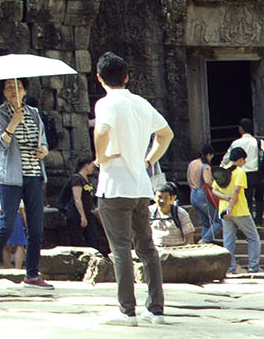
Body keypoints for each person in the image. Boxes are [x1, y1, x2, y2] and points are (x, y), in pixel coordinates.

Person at [91, 51, 173, 325]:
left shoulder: (106, 103)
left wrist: (100, 157)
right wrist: (149, 160)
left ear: (99, 78)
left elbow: (102, 131)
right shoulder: (141, 103)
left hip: (114, 186)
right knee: (147, 248)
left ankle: (127, 310)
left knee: (121, 249)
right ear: (126, 77)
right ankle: (156, 308)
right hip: (140, 185)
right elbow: (166, 134)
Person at [0, 78, 52, 289]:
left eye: (18, 87)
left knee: (36, 226)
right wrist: (13, 123)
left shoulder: (34, 113)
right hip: (10, 178)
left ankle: (32, 274)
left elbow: (43, 140)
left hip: (34, 175)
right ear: (3, 91)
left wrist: (44, 150)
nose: (14, 91)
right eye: (9, 87)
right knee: (7, 224)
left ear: (25, 89)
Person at [217, 147, 262, 274]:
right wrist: (231, 206)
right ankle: (254, 266)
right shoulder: (240, 172)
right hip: (240, 210)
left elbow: (214, 190)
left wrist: (226, 200)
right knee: (253, 237)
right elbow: (236, 191)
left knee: (228, 241)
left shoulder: (222, 171)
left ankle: (230, 268)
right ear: (240, 159)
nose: (245, 163)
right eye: (244, 160)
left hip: (223, 211)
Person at [66, 159, 105, 252]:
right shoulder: (77, 179)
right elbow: (77, 198)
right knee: (76, 239)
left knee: (93, 238)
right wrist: (82, 216)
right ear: (85, 165)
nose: (93, 168)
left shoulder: (87, 180)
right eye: (91, 165)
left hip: (88, 213)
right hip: (77, 214)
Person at [186, 141, 221, 241]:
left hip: (192, 193)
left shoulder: (192, 163)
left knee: (206, 222)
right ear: (208, 155)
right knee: (218, 221)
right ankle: (205, 240)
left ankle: (205, 241)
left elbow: (188, 178)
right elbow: (208, 181)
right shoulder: (205, 166)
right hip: (202, 195)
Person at [149, 183, 194, 248]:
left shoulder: (180, 213)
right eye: (159, 197)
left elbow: (189, 237)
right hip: (155, 250)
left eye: (166, 198)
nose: (162, 201)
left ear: (172, 198)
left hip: (177, 249)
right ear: (154, 198)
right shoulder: (149, 212)